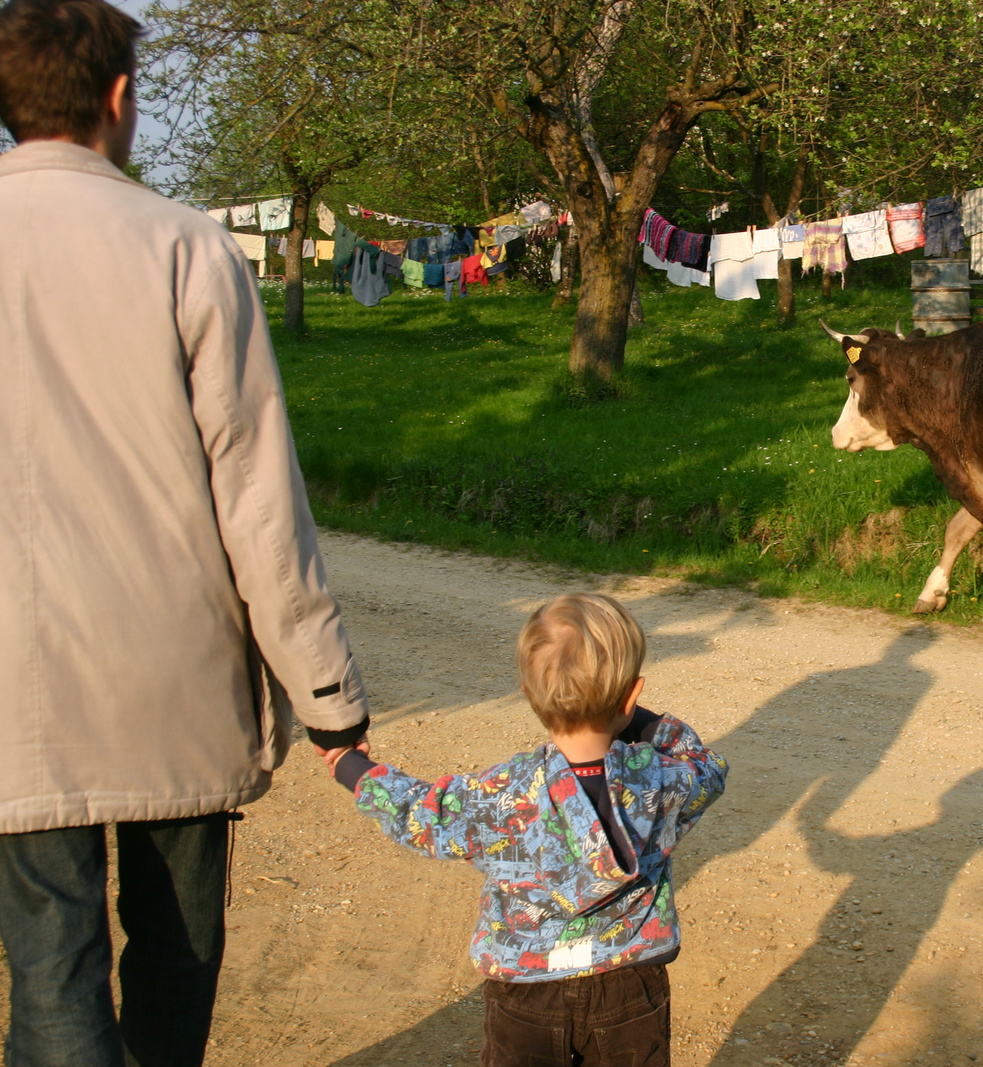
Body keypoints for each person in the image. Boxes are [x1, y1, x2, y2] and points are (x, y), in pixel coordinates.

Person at [0, 1, 371, 1064]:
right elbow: (257, 496)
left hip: (11, 690)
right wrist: (328, 695)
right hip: (166, 673)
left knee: (48, 973)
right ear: (120, 99)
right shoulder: (188, 246)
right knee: (176, 950)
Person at [318, 593, 728, 1067]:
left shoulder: (506, 793)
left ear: (530, 694)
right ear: (630, 695)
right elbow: (707, 768)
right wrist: (637, 718)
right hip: (631, 977)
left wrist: (353, 768)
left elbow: (422, 814)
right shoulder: (657, 779)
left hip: (525, 988)